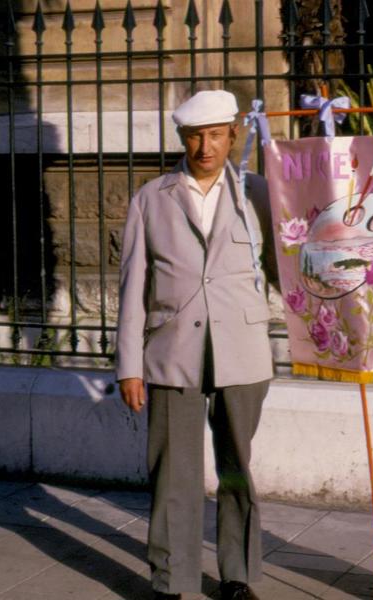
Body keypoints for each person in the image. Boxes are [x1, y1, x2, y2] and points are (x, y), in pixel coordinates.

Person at [116, 89, 273, 600]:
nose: (204, 146)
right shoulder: (151, 198)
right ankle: (171, 580)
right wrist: (128, 366)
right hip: (171, 353)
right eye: (193, 136)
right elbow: (132, 286)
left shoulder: (259, 193)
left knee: (237, 470)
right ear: (182, 138)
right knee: (172, 476)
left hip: (242, 351)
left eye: (214, 135)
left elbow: (287, 270)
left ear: (233, 135)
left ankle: (238, 577)